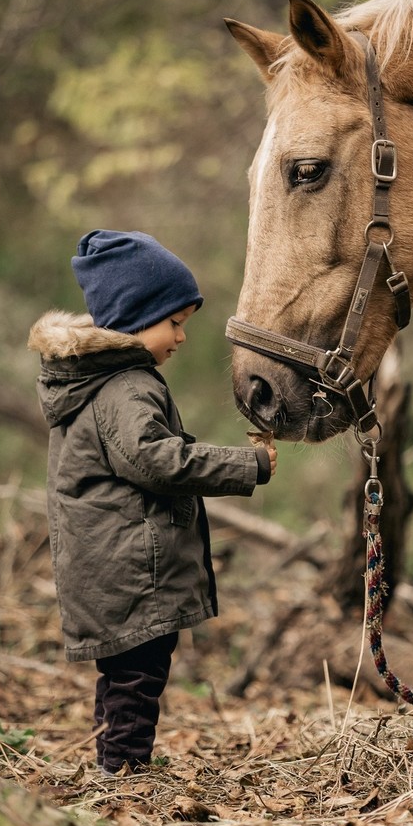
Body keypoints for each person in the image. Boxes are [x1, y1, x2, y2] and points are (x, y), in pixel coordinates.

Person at [28, 229, 277, 776]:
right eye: (175, 323)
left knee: (124, 675)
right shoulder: (126, 388)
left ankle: (113, 762)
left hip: (108, 566)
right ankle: (123, 770)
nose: (182, 338)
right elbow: (158, 460)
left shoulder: (96, 384)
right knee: (137, 677)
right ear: (135, 318)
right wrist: (246, 464)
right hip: (131, 571)